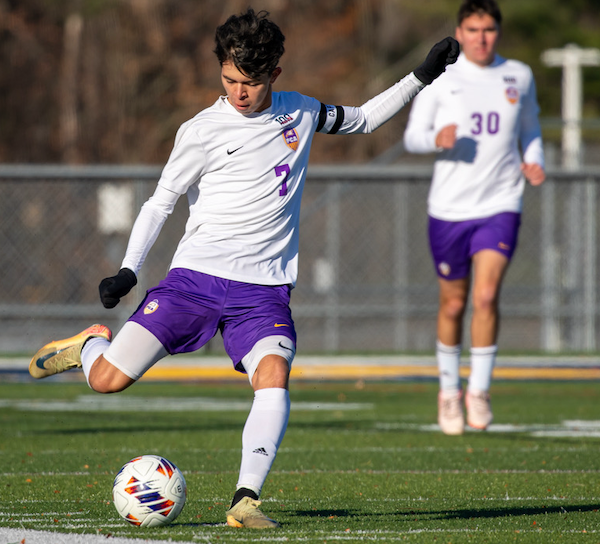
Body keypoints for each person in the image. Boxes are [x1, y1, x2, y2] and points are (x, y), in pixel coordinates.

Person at [29, 8, 458, 528]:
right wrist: (129, 270)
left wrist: (422, 75)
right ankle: (89, 346)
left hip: (264, 292)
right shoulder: (200, 130)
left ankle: (245, 500)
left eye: (250, 83)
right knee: (106, 381)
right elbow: (161, 202)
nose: (238, 92)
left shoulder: (300, 111)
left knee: (274, 377)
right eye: (229, 79)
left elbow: (363, 118)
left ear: (274, 74)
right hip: (193, 283)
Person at [403, 0, 545, 436]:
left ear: (497, 32)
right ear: (459, 32)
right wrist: (436, 139)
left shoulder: (518, 75)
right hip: (449, 209)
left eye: (488, 29)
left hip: (500, 203)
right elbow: (412, 137)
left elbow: (531, 129)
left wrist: (535, 159)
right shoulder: (442, 78)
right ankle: (449, 391)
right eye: (472, 29)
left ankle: (478, 390)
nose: (481, 37)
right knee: (454, 302)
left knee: (486, 297)